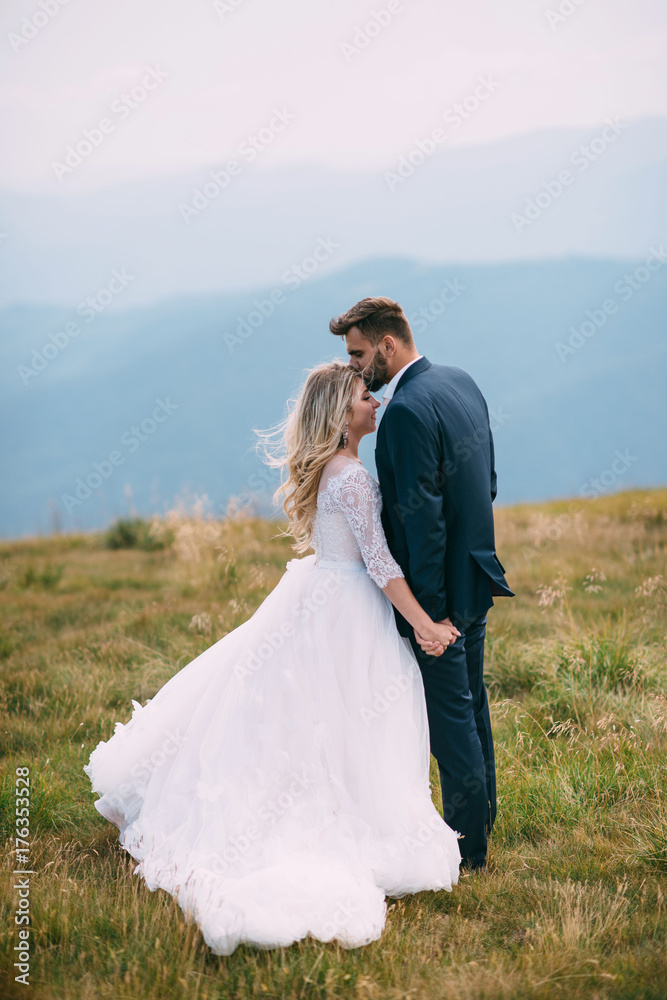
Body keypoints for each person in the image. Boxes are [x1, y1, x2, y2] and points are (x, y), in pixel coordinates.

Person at [84, 360, 461, 956]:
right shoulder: (353, 477)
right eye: (366, 396)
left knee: (311, 720)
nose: (376, 403)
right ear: (342, 414)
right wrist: (426, 627)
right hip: (347, 609)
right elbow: (381, 565)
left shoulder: (331, 469)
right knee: (346, 720)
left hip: (318, 595)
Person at [330, 297, 514, 872]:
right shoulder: (460, 382)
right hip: (476, 575)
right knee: (473, 705)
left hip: (439, 596)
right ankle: (481, 824)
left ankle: (468, 851)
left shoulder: (407, 410)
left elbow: (421, 523)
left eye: (360, 355)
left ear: (388, 344)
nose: (358, 369)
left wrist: (429, 618)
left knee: (451, 721)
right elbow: (485, 480)